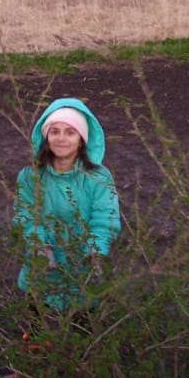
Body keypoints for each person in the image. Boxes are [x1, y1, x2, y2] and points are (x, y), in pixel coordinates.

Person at [14, 98, 120, 315]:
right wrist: (40, 248)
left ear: (81, 139)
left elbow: (105, 218)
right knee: (38, 332)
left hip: (83, 271)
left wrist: (94, 253)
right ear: (46, 137)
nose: (61, 139)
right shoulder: (30, 177)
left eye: (70, 132)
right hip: (43, 269)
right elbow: (26, 216)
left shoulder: (98, 177)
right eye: (55, 132)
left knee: (82, 332)